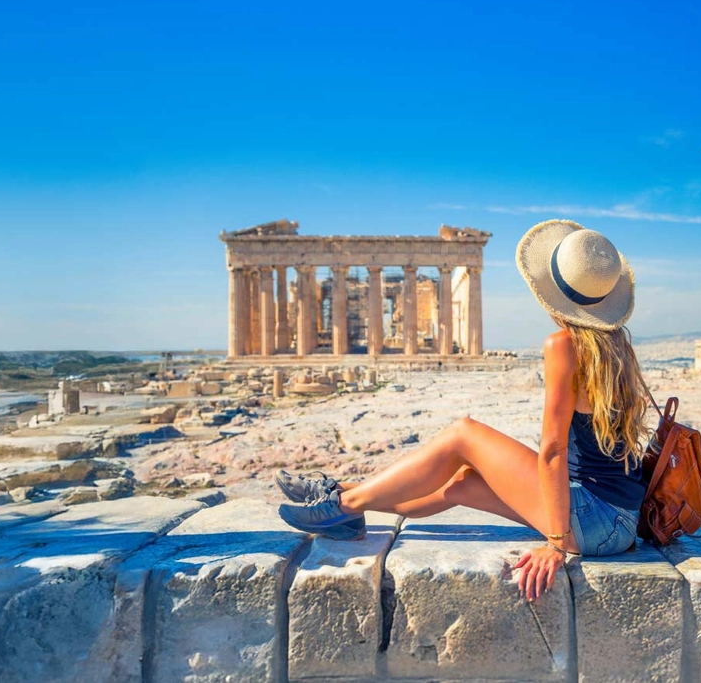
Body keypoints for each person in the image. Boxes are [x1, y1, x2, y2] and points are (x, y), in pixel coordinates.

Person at [274, 220, 650, 601]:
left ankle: (341, 506)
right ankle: (345, 498)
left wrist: (554, 546)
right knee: (460, 484)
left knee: (464, 433)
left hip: (592, 519)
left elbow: (552, 451)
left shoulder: (564, 345)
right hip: (618, 521)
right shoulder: (617, 345)